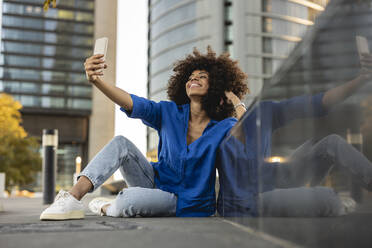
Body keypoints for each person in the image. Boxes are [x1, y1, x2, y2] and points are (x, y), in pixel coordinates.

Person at [39, 47, 249, 220]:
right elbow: (130, 101)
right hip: (154, 183)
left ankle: (105, 207)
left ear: (217, 88)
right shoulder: (168, 112)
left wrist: (234, 98)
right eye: (191, 77)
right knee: (121, 143)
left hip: (189, 202)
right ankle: (72, 199)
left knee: (127, 201)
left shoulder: (224, 126)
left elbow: (249, 132)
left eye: (202, 77)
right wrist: (96, 81)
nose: (193, 79)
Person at [216, 53, 372, 217]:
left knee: (330, 144)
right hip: (249, 201)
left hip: (280, 177)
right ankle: (337, 207)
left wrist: (361, 80)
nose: (227, 99)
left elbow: (319, 102)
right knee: (329, 198)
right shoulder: (214, 132)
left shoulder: (260, 113)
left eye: (230, 94)